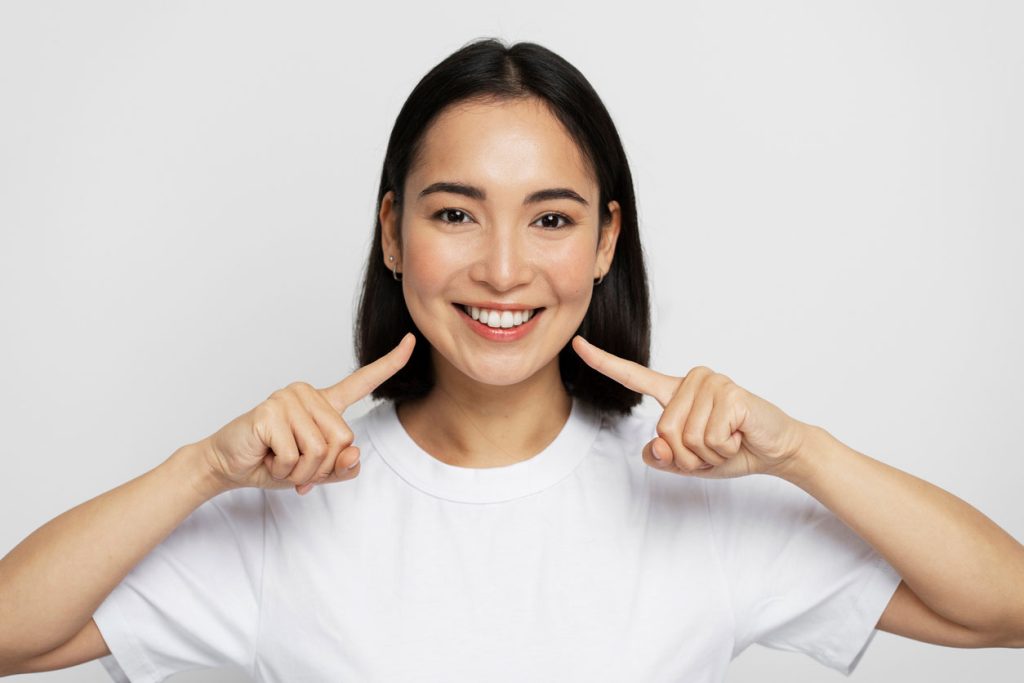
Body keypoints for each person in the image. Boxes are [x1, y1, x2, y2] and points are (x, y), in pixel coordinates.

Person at [1, 37, 1022, 682]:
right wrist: (203, 469)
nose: (501, 268)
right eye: (455, 213)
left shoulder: (694, 499)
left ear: (605, 241)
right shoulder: (287, 510)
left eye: (549, 217)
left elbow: (1005, 609)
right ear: (393, 233)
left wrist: (801, 450)